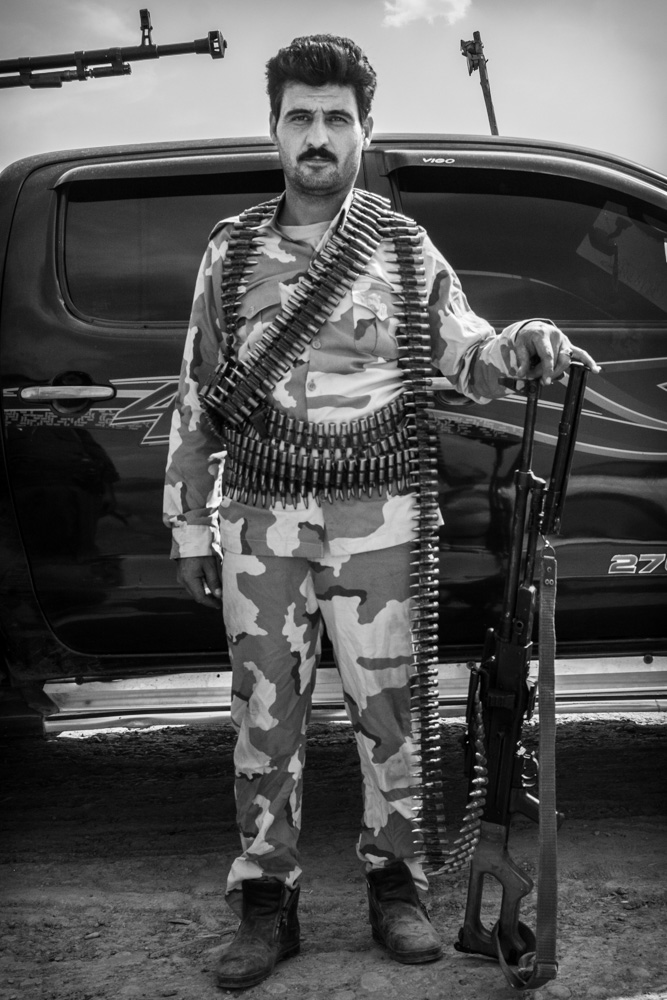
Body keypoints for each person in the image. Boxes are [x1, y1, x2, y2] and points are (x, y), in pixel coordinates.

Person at [164, 34, 599, 991]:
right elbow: (197, 392)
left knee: (392, 714)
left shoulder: (401, 247)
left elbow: (466, 352)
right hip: (260, 518)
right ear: (274, 128)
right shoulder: (230, 251)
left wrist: (521, 343)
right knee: (261, 714)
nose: (317, 137)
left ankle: (395, 888)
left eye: (336, 119)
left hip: (379, 513)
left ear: (365, 129)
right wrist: (190, 523)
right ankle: (264, 904)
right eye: (299, 118)